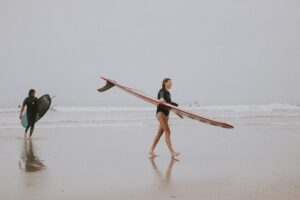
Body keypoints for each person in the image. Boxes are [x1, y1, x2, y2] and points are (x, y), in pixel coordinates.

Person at [149, 78, 180, 158]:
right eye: (169, 82)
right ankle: (172, 152)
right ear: (165, 83)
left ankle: (151, 150)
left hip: (166, 115)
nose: (171, 84)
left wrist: (178, 113)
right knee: (168, 131)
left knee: (160, 133)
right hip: (161, 113)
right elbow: (161, 95)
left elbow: (169, 105)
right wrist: (161, 99)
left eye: (171, 83)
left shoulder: (168, 93)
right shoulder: (162, 90)